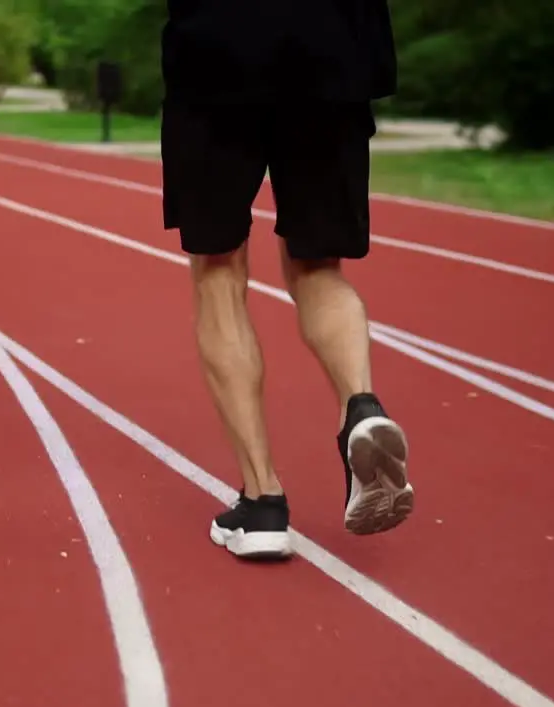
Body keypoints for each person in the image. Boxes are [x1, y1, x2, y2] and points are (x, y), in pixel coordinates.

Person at [160, 0, 415, 558]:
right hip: (335, 50)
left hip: (218, 53)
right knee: (319, 264)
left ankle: (263, 504)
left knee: (218, 270)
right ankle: (361, 408)